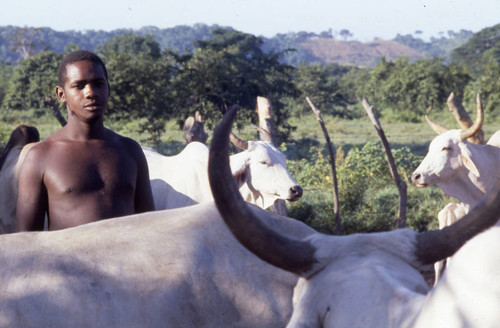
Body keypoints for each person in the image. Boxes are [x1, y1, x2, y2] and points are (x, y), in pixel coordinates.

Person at [16, 50, 155, 231]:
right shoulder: (41, 156)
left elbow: (151, 225)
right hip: (66, 259)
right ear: (61, 94)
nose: (90, 93)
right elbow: (26, 239)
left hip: (126, 259)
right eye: (79, 86)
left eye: (98, 84)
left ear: (108, 89)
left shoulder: (130, 151)